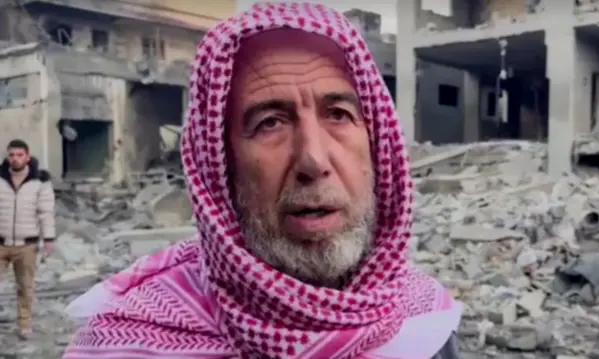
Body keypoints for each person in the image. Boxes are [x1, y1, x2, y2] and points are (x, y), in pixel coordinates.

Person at [62, 3, 462, 358]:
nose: (313, 160)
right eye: (270, 123)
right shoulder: (128, 343)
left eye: (338, 114)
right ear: (220, 165)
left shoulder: (423, 319)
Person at [0, 139, 55, 339]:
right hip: (1, 243)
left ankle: (24, 325)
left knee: (25, 287)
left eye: (19, 155)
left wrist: (48, 238)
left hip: (27, 245)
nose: (15, 159)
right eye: (12, 155)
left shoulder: (40, 180)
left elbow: (45, 212)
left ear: (27, 156)